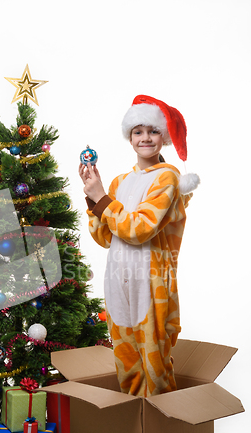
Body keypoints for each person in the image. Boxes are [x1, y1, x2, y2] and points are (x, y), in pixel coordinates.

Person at [79, 95, 199, 397]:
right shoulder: (119, 182)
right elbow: (105, 237)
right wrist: (95, 197)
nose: (145, 138)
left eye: (153, 131)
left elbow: (140, 229)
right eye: (138, 131)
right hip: (118, 280)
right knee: (127, 362)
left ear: (164, 136)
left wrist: (102, 198)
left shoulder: (168, 177)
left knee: (155, 365)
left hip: (151, 284)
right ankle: (137, 432)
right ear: (129, 137)